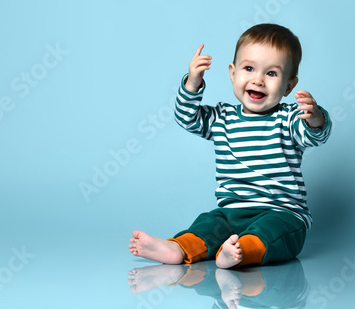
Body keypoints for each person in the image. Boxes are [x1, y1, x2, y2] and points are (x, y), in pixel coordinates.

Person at [129, 23, 332, 268]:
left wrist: (315, 116)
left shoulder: (288, 119)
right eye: (249, 68)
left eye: (271, 73)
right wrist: (192, 83)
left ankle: (242, 252)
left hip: (282, 212)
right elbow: (186, 117)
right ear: (232, 73)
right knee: (208, 223)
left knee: (273, 232)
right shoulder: (222, 118)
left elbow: (315, 136)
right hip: (231, 213)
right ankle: (178, 248)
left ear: (289, 85)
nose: (258, 80)